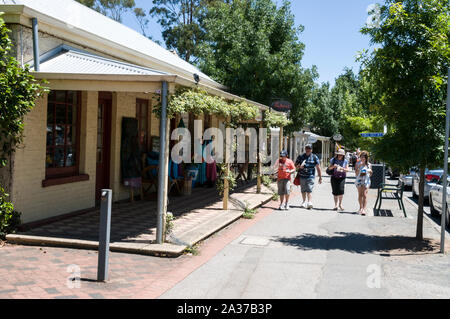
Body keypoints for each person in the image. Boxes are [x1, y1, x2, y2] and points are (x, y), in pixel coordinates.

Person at [295, 144, 322, 209]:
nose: (308, 150)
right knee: (303, 190)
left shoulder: (314, 157)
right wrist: (299, 167)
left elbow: (318, 167)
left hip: (310, 176)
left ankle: (309, 202)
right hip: (302, 176)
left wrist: (320, 177)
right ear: (305, 149)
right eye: (307, 148)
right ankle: (304, 202)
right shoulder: (301, 156)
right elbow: (295, 165)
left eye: (309, 149)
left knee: (309, 189)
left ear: (311, 150)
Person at [355, 150, 372, 215]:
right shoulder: (357, 164)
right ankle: (360, 208)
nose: (363, 158)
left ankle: (364, 209)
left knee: (364, 195)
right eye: (361, 157)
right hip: (359, 180)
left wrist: (370, 172)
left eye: (364, 157)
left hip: (366, 181)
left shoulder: (369, 164)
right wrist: (359, 167)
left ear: (366, 158)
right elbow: (356, 174)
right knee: (360, 195)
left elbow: (370, 174)